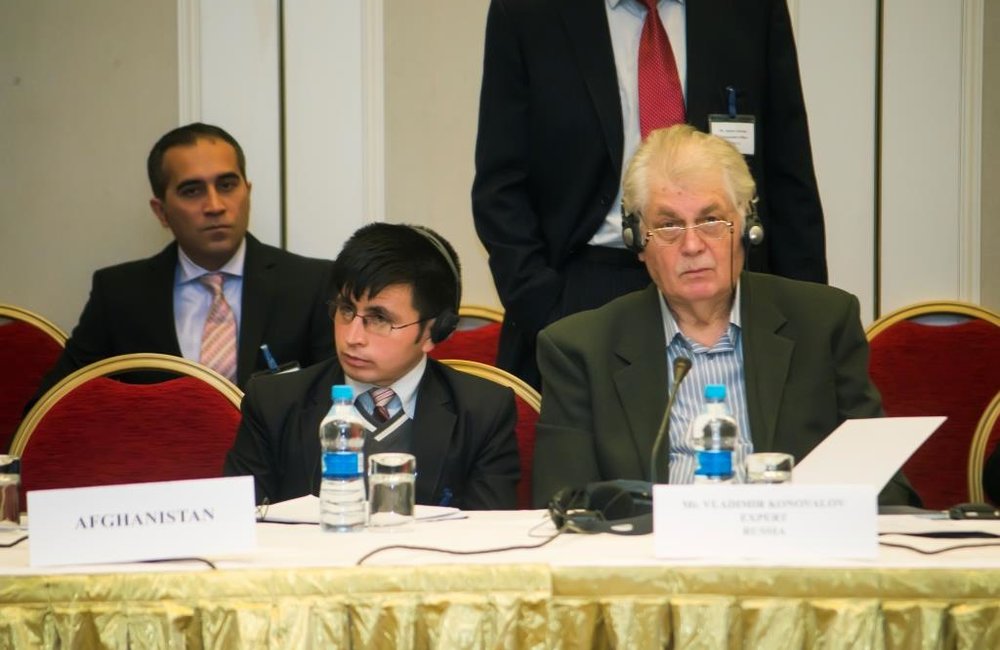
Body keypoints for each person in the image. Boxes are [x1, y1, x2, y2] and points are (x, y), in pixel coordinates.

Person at [531, 125, 915, 507]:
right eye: (668, 225)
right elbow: (563, 505)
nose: (692, 245)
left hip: (791, 541)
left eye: (712, 220)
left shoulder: (823, 323)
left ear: (748, 228)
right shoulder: (580, 350)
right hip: (653, 545)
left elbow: (885, 489)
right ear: (638, 241)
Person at [472, 0, 827, 389]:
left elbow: (789, 177)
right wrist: (544, 308)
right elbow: (500, 189)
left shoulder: (752, 9)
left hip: (727, 281)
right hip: (586, 286)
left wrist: (805, 320)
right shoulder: (527, 12)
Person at [223, 223, 521, 509]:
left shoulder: (483, 414)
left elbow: (488, 533)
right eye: (346, 310)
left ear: (434, 332)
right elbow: (242, 526)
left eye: (379, 319)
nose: (352, 337)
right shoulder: (274, 404)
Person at [29, 123, 334, 399]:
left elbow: (337, 406)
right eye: (192, 191)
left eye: (227, 185)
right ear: (161, 212)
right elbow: (52, 409)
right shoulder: (119, 295)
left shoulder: (311, 284)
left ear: (248, 192)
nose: (214, 206)